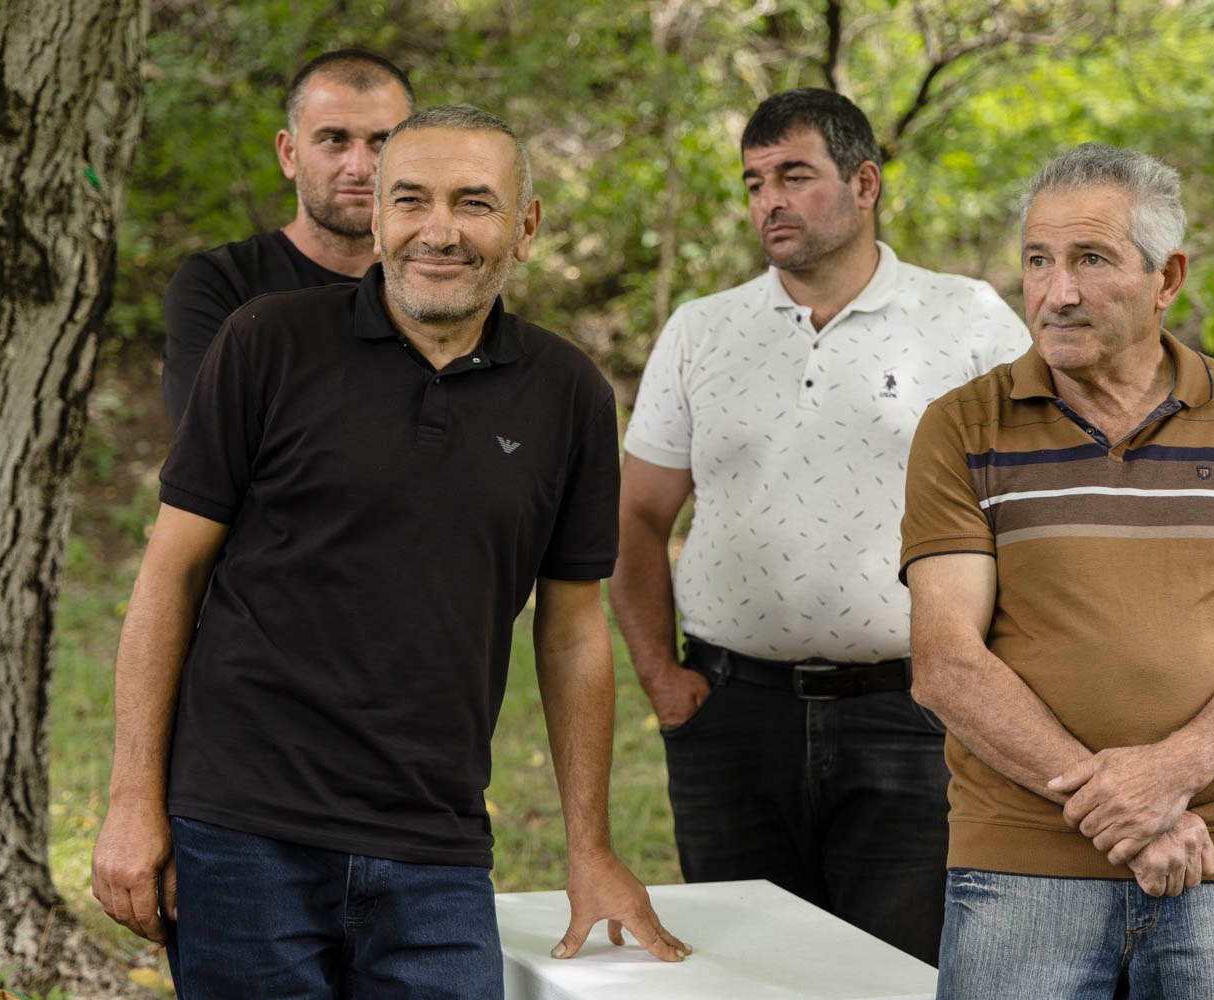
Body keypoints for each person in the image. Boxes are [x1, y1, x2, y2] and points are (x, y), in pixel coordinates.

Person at [92, 104, 689, 999]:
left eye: (473, 203)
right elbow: (168, 576)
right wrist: (132, 802)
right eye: (410, 201)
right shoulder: (266, 342)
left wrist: (590, 848)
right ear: (376, 220)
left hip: (436, 842)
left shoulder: (567, 392)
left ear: (524, 227)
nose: (438, 231)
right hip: (243, 833)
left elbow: (572, 632)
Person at [609, 88, 1028, 965]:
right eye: (753, 182)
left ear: (864, 183)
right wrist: (662, 682)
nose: (769, 200)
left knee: (895, 973)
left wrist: (984, 686)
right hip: (729, 716)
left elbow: (1032, 519)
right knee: (744, 975)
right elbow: (636, 519)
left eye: (793, 176)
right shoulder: (701, 330)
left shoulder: (967, 321)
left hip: (913, 713)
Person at [900, 142, 1214, 998]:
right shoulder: (963, 426)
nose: (1055, 293)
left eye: (1090, 260)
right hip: (1023, 862)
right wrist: (1129, 814)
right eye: (1037, 260)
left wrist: (1168, 777)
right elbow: (945, 664)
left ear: (1166, 278)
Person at [161, 48, 415, 425]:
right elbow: (209, 439)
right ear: (288, 154)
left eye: (383, 142)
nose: (361, 167)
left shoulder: (439, 280)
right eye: (334, 139)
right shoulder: (221, 285)